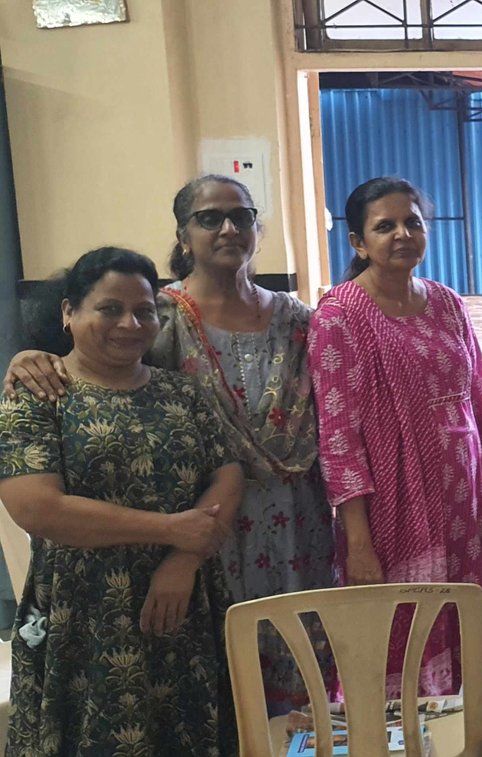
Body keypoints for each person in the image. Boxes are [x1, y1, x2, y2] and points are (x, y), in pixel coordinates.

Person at [3, 175, 336, 715]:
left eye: (242, 216)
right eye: (209, 218)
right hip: (199, 536)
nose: (228, 228)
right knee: (210, 683)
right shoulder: (157, 313)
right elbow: (84, 362)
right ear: (182, 235)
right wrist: (25, 358)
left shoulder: (299, 319)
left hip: (294, 518)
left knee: (296, 670)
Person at [0, 247, 242, 754]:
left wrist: (183, 559)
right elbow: (37, 508)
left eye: (144, 311)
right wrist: (170, 529)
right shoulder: (37, 396)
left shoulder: (182, 393)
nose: (130, 324)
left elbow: (227, 474)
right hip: (84, 612)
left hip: (182, 601)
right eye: (109, 308)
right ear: (68, 312)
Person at [309, 176, 482, 697]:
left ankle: (460, 735)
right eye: (385, 226)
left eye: (413, 222)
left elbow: (481, 398)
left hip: (462, 503)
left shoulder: (447, 302)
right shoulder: (339, 315)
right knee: (398, 651)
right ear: (358, 242)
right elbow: (338, 437)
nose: (402, 234)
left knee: (460, 635)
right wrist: (358, 543)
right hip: (392, 512)